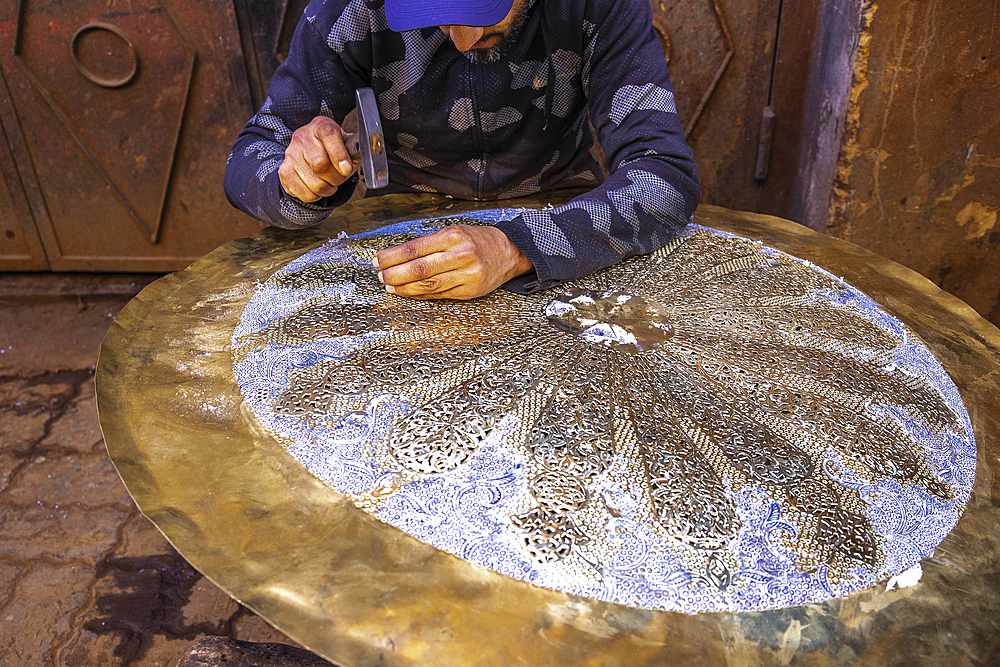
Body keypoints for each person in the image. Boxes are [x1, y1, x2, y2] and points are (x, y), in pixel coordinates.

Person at [224, 0, 700, 300]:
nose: (462, 39)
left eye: (481, 10)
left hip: (563, 219)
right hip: (400, 236)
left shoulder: (600, 5)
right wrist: (297, 181)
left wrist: (516, 247)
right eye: (438, 15)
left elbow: (664, 175)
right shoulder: (351, 7)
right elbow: (249, 159)